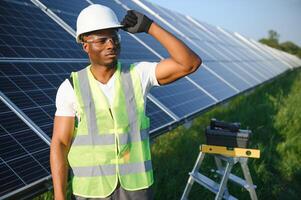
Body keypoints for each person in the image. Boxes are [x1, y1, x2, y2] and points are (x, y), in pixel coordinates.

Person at [50, 4, 201, 200]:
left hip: (136, 189)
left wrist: (149, 26)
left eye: (114, 38)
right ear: (86, 45)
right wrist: (59, 196)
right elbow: (60, 143)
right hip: (91, 191)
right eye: (102, 40)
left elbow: (189, 63)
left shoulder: (138, 74)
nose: (111, 45)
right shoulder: (71, 87)